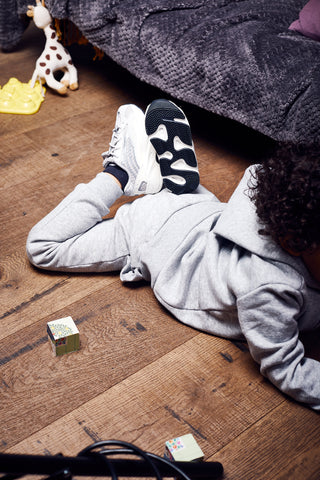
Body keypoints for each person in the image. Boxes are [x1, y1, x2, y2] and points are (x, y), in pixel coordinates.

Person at [26, 99, 320, 411]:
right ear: (293, 242)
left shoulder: (293, 220)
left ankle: (175, 182)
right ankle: (120, 172)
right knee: (42, 247)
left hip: (203, 212)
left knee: (200, 215)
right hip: (151, 233)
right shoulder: (269, 289)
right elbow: (287, 368)